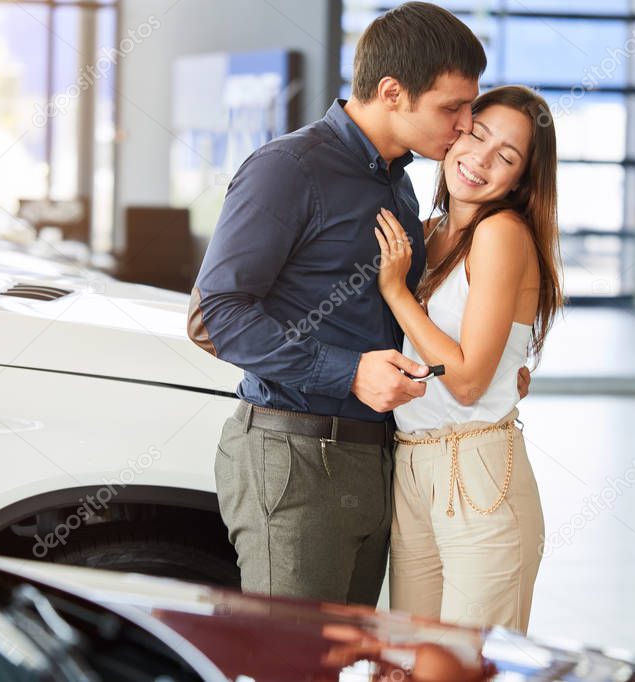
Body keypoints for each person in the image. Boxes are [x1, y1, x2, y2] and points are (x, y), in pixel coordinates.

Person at [188, 2, 530, 606]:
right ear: (393, 91)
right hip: (293, 454)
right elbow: (214, 314)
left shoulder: (399, 184)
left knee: (346, 662)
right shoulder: (289, 168)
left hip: (378, 462)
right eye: (452, 108)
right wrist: (348, 372)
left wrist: (505, 366)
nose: (463, 126)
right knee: (294, 668)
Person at [373, 85, 564, 633]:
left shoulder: (501, 232)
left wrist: (396, 293)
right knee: (414, 666)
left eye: (506, 156)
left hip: (476, 474)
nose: (480, 159)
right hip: (411, 466)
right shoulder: (428, 233)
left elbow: (466, 381)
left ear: (522, 179)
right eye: (477, 135)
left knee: (460, 669)